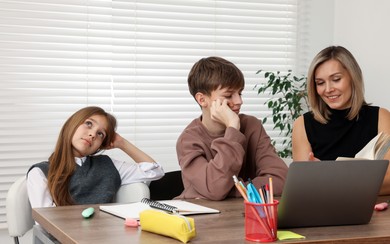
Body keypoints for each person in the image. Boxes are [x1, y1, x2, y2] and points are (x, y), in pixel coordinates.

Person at [176, 56, 288, 201]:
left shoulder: (252, 126)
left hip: (244, 216)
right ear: (202, 99)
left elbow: (281, 181)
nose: (239, 101)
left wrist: (228, 191)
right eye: (229, 95)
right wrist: (233, 128)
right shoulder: (187, 141)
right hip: (206, 221)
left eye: (239, 93)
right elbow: (216, 188)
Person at [292, 45, 390, 194]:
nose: (328, 89)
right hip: (324, 212)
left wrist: (329, 177)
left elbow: (389, 181)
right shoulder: (303, 125)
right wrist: (362, 181)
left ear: (352, 77)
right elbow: (304, 187)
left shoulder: (381, 117)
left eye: (336, 79)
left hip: (375, 212)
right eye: (320, 83)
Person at [27, 106, 164, 208]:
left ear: (100, 145)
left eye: (100, 134)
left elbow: (155, 171)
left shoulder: (109, 166)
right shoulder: (41, 172)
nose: (92, 134)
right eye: (88, 124)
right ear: (72, 124)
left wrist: (122, 143)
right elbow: (46, 223)